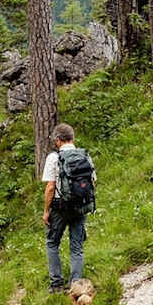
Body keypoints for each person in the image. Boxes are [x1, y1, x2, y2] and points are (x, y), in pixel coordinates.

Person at [42, 123, 96, 291]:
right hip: (80, 206)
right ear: (72, 138)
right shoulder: (85, 156)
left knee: (52, 243)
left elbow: (50, 187)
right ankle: (76, 286)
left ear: (58, 140)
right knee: (77, 247)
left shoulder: (54, 158)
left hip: (60, 207)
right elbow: (93, 181)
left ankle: (56, 284)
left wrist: (46, 211)